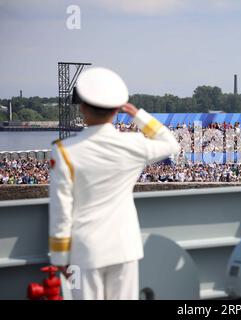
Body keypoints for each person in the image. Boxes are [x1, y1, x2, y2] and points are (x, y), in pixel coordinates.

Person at [48, 67, 180, 300]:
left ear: (83, 108)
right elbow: (171, 144)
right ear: (117, 109)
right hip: (125, 246)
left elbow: (61, 211)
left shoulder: (65, 152)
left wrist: (59, 258)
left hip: (85, 251)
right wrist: (138, 115)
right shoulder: (134, 144)